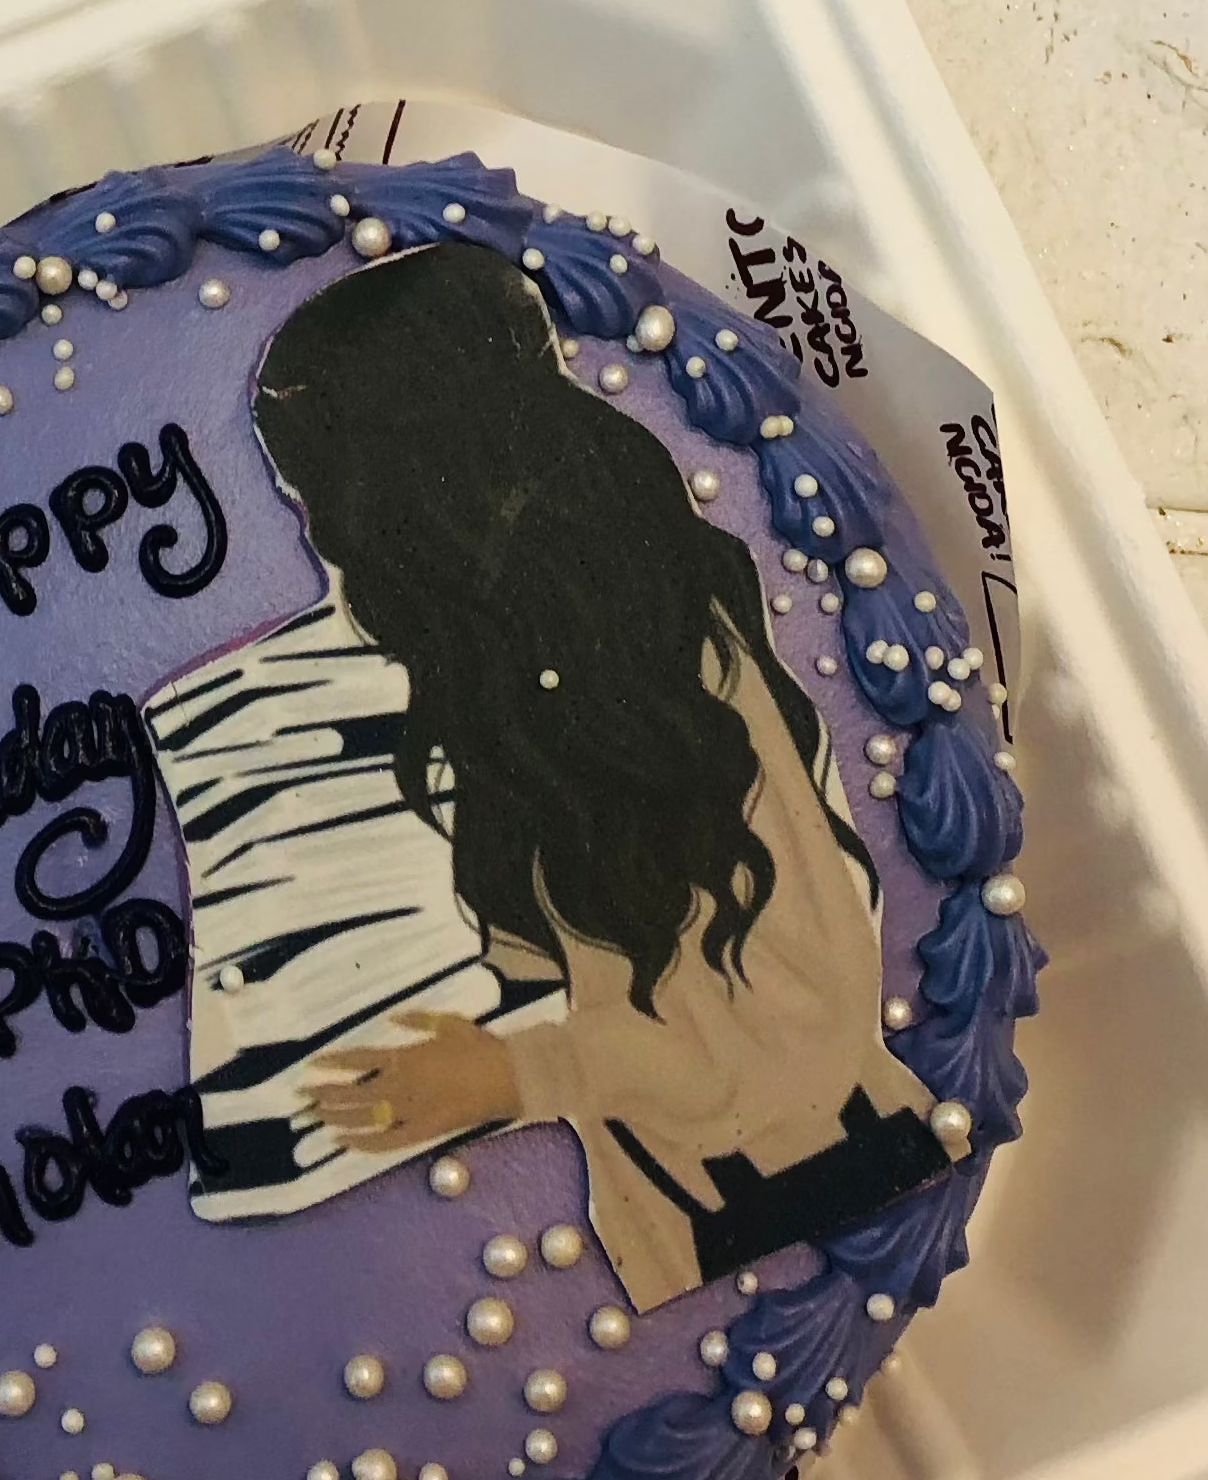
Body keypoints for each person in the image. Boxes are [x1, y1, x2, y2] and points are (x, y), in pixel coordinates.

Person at [151, 239, 942, 1308]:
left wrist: (514, 1074)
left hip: (822, 1192)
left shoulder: (686, 671)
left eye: (331, 505)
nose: (326, 548)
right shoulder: (515, 700)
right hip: (688, 1224)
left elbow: (811, 1016)